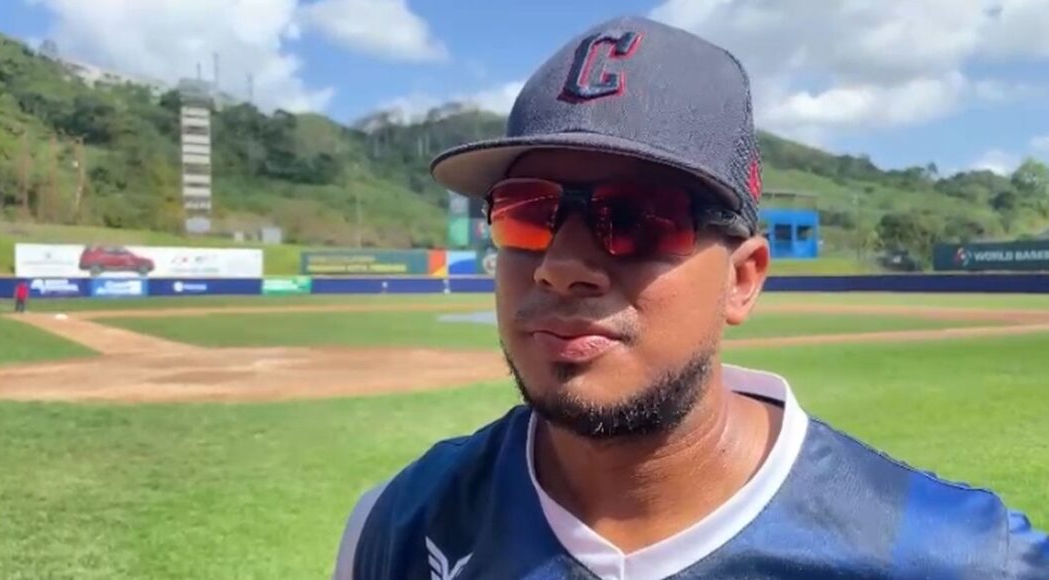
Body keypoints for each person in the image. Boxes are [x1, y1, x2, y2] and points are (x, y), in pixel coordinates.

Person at [333, 15, 1048, 580]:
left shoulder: (953, 556)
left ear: (743, 279)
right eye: (527, 212)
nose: (561, 266)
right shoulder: (397, 528)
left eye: (636, 218)